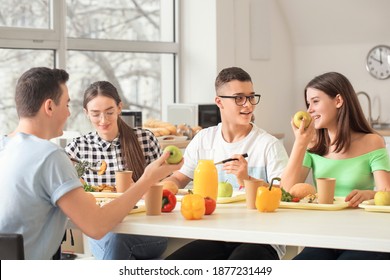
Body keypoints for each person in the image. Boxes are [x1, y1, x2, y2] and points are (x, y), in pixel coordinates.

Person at [0, 67, 182, 260]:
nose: (69, 113)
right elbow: (96, 226)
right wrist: (147, 179)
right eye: (67, 104)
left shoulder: (5, 147)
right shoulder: (50, 156)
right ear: (50, 107)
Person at [165, 66, 289, 260]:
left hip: (261, 238)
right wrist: (166, 187)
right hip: (216, 234)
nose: (248, 105)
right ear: (219, 102)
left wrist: (247, 179)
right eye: (239, 98)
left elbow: (285, 195)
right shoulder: (204, 139)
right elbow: (179, 177)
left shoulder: (268, 145)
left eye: (251, 97)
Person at [281, 71, 390, 260]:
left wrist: (369, 194)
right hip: (323, 236)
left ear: (338, 100)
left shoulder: (372, 141)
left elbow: (386, 194)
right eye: (308, 104)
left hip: (364, 237)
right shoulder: (313, 144)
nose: (309, 110)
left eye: (315, 101)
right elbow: (285, 191)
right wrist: (300, 143)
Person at [65, 81, 168, 260]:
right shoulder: (77, 148)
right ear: (86, 113)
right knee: (114, 240)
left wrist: (143, 188)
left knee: (118, 241)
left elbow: (168, 188)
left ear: (120, 108)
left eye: (110, 112)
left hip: (148, 229)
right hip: (104, 230)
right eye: (96, 114)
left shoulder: (145, 139)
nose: (103, 120)